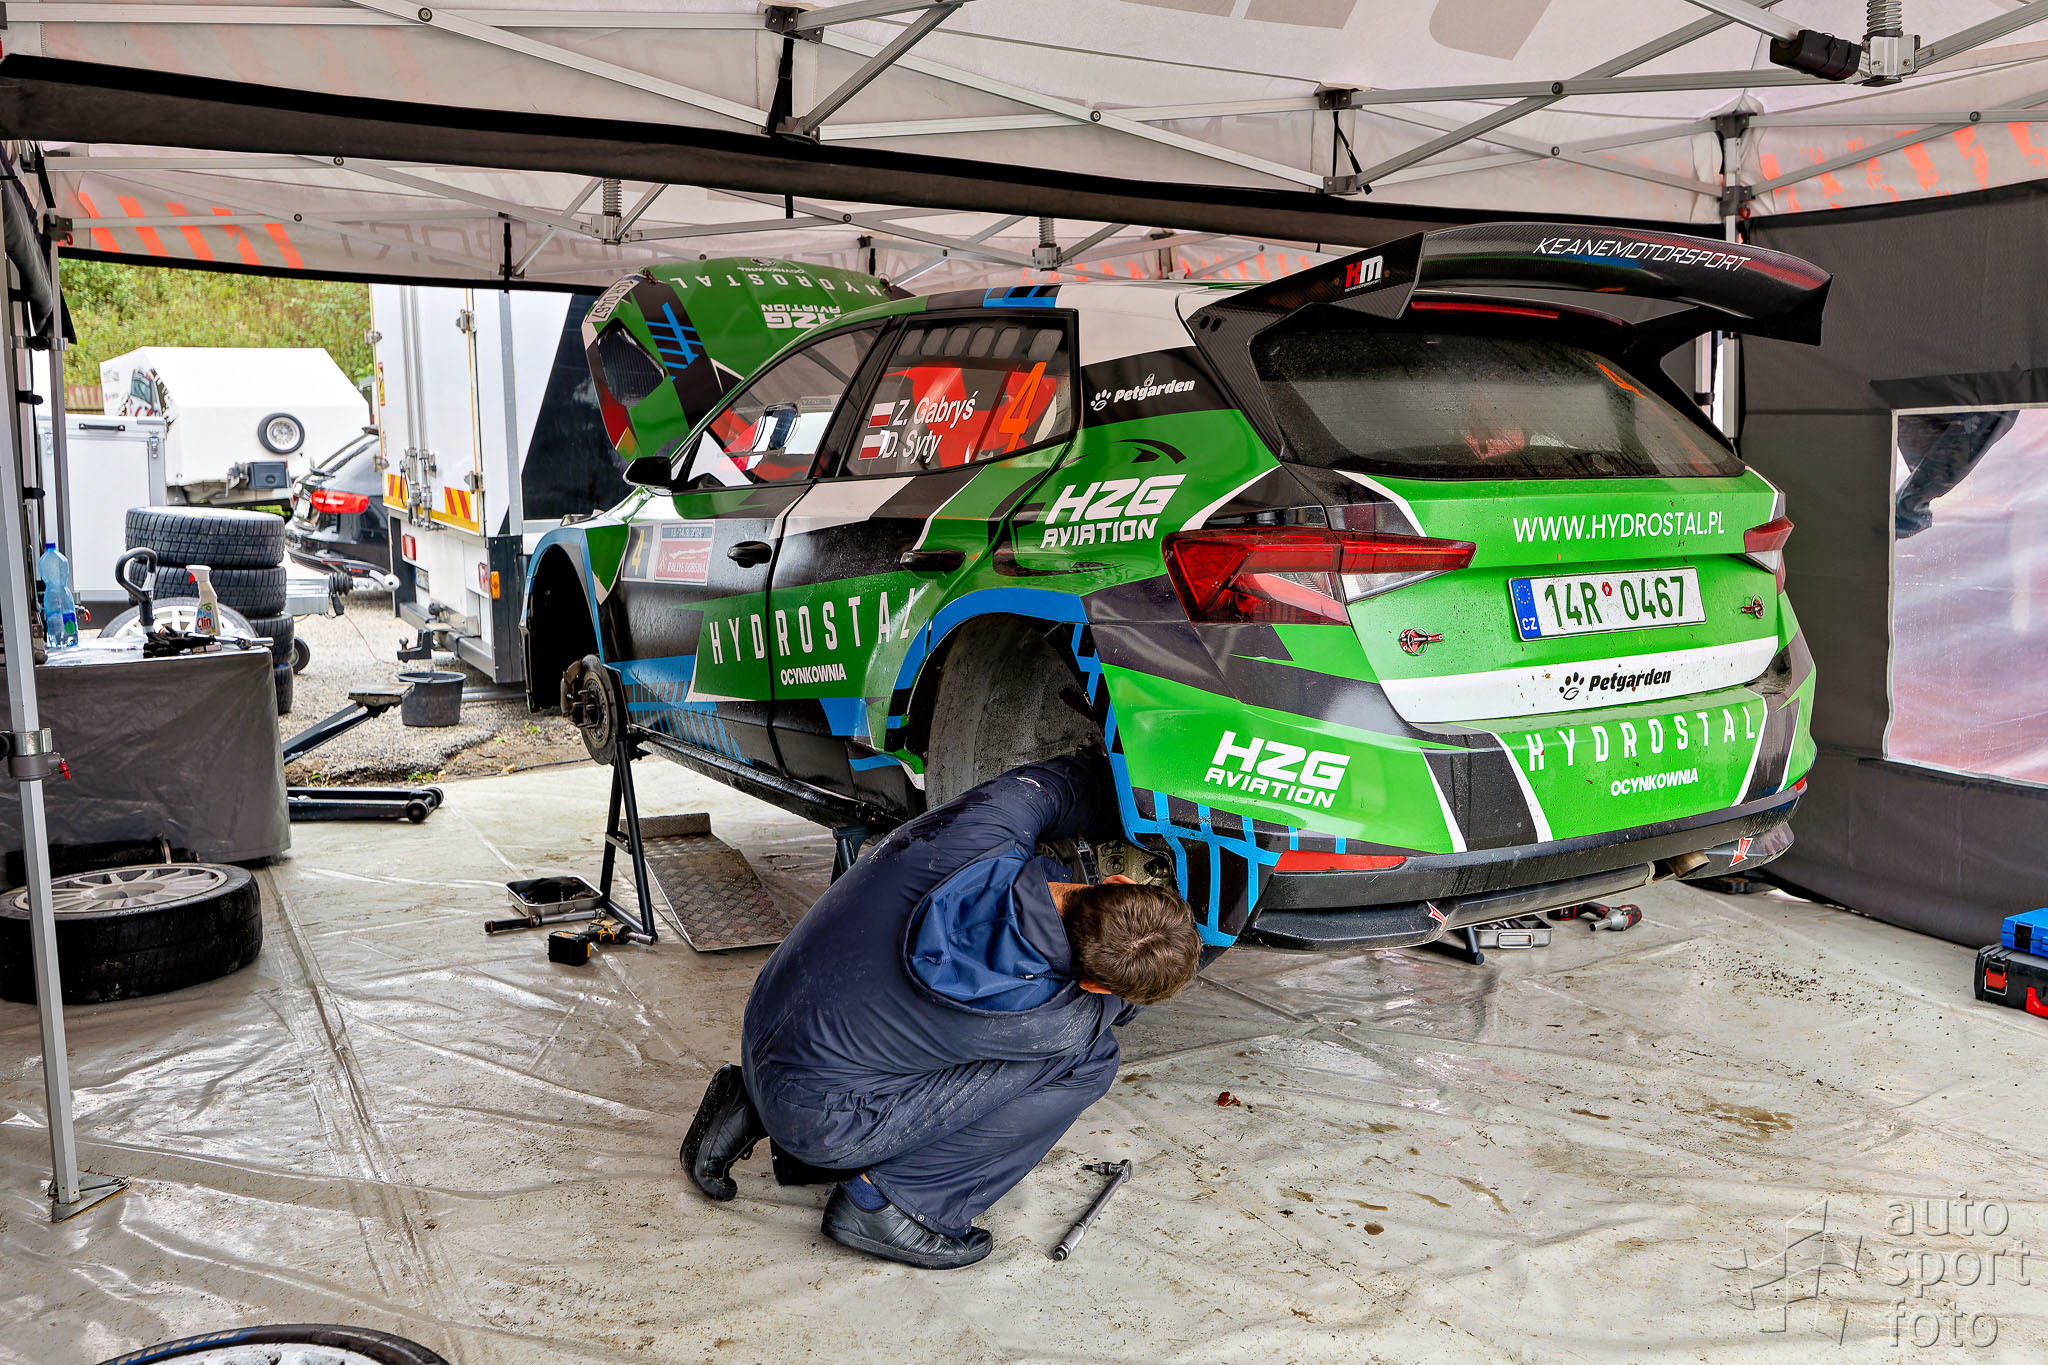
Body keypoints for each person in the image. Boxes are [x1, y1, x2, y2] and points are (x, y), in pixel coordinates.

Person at [681, 753, 1201, 1269]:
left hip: (768, 1023)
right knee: (1091, 1062)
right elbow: (1117, 1011)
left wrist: (1172, 796)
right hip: (820, 1122)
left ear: (1117, 883)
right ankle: (891, 1204)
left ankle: (747, 1102)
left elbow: (1074, 780)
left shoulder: (991, 824)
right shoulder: (1052, 1017)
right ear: (1091, 984)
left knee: (881, 1017)